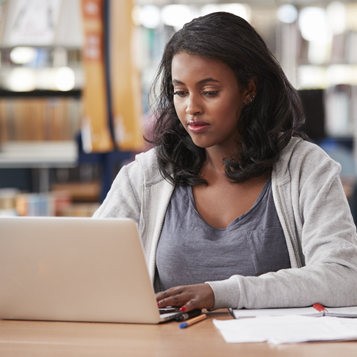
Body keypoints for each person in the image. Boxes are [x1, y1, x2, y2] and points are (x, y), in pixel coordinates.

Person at [93, 12, 357, 312]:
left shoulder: (306, 167)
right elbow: (90, 265)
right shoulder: (147, 175)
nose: (191, 108)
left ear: (249, 90)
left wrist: (222, 293)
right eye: (180, 92)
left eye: (209, 92)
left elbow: (345, 277)